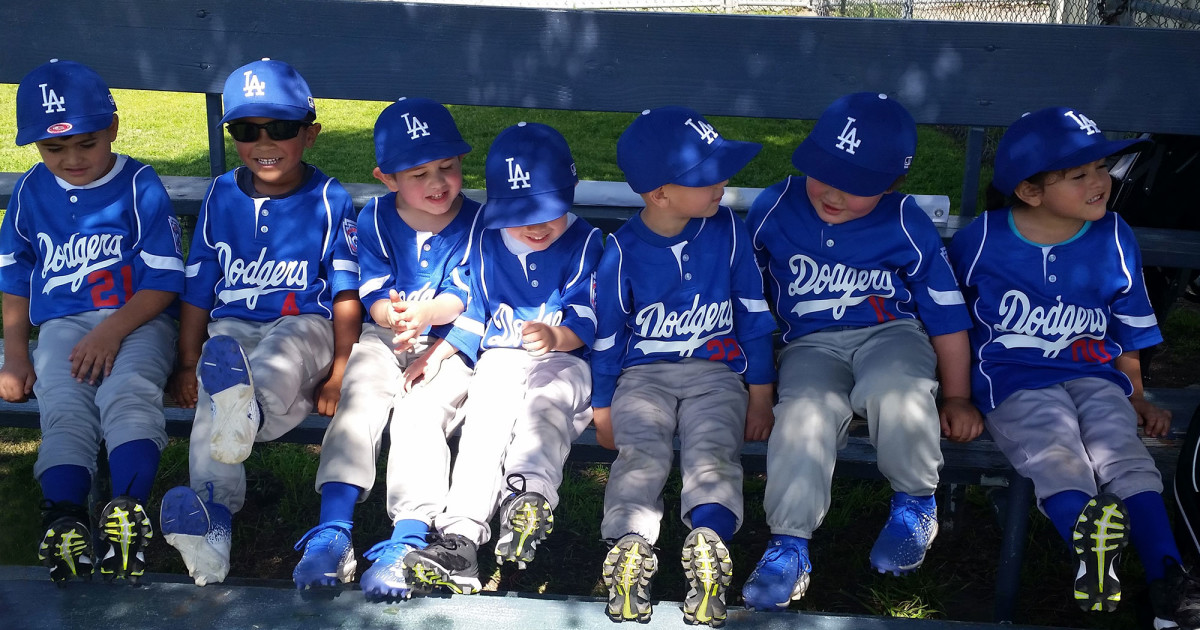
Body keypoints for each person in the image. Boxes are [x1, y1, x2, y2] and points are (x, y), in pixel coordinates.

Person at [946, 106, 1200, 628]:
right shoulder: (985, 238)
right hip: (1013, 379)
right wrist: (952, 393)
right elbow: (947, 317)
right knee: (1055, 452)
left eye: (1102, 167)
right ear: (1030, 191)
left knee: (1125, 455)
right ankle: (1092, 551)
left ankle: (1168, 583)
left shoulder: (1113, 234)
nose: (1100, 182)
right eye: (1079, 174)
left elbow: (1128, 322)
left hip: (1095, 374)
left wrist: (1135, 393)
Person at [741, 92, 980, 611]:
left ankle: (915, 502)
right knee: (803, 415)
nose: (834, 192)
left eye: (859, 185)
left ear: (893, 184)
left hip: (889, 334)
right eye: (825, 172)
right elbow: (745, 294)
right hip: (808, 345)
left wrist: (958, 397)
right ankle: (789, 542)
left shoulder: (904, 222)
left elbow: (944, 314)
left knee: (898, 390)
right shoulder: (776, 206)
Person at [158, 58, 361, 587]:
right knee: (215, 383)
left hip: (306, 326)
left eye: (282, 128)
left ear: (310, 134)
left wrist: (341, 369)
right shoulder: (222, 194)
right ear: (233, 137)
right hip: (233, 332)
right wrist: (186, 360)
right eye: (247, 130)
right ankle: (212, 524)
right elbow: (200, 286)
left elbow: (343, 293)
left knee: (277, 354)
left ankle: (246, 415)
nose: (264, 141)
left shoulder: (328, 198)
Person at [590, 106, 777, 627]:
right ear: (659, 194)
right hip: (642, 378)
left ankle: (709, 541)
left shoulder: (729, 231)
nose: (722, 184)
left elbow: (754, 317)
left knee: (714, 449)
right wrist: (602, 405)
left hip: (717, 374)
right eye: (706, 178)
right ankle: (628, 546)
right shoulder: (622, 251)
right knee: (640, 453)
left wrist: (760, 393)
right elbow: (608, 336)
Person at [0, 59, 184, 584]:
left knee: (128, 392)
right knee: (63, 409)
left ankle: (128, 510)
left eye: (86, 142)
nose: (72, 159)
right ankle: (64, 517)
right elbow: (15, 277)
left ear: (113, 128)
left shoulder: (138, 184)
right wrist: (16, 354)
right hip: (61, 327)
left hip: (139, 320)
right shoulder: (32, 189)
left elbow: (165, 280)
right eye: (54, 148)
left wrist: (112, 330)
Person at [401, 121, 603, 595]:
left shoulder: (587, 242)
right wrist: (440, 349)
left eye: (546, 211)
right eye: (520, 213)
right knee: (483, 429)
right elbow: (475, 311)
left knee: (544, 412)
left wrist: (558, 335)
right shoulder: (489, 241)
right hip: (500, 359)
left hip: (564, 361)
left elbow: (593, 318)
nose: (534, 226)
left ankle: (528, 499)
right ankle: (461, 540)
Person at [291, 97, 478, 599]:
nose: (437, 183)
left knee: (420, 414)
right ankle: (334, 530)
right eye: (417, 174)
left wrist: (426, 315)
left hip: (447, 347)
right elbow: (370, 286)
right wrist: (385, 314)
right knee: (360, 401)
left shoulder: (480, 223)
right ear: (386, 177)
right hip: (385, 337)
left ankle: (409, 539)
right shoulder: (374, 217)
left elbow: (470, 295)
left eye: (447, 167)